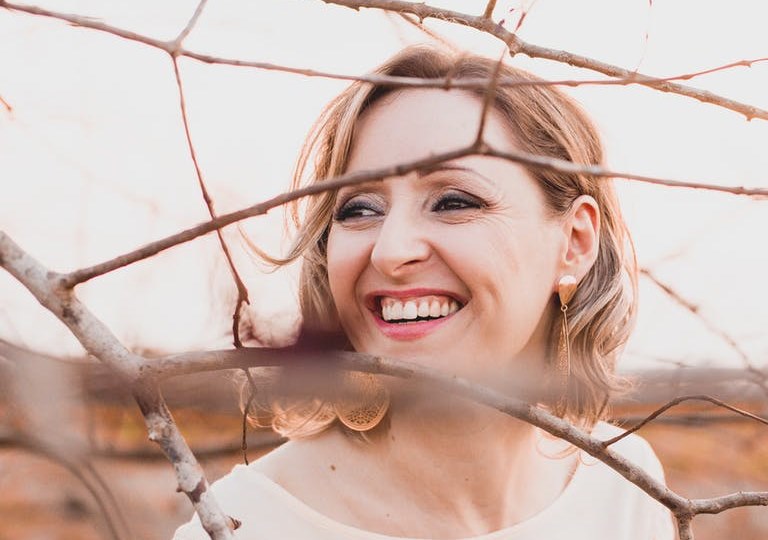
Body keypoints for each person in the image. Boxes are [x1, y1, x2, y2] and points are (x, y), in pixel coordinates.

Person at [173, 45, 674, 539]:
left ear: (575, 241)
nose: (390, 252)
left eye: (454, 202)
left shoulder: (625, 490)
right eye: (359, 209)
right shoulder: (243, 526)